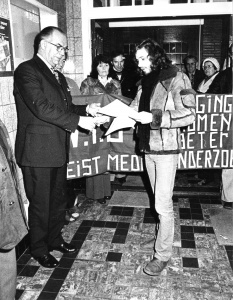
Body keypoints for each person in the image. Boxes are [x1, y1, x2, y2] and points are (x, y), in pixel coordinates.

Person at [13, 26, 99, 268]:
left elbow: (66, 107)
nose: (64, 53)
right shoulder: (26, 71)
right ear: (43, 45)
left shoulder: (57, 75)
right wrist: (80, 122)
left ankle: (54, 239)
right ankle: (38, 248)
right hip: (36, 152)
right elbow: (41, 107)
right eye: (59, 47)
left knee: (57, 201)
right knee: (40, 204)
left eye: (66, 49)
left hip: (57, 150)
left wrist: (86, 110)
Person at [130, 38, 195, 276]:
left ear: (156, 56)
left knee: (162, 204)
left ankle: (162, 254)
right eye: (137, 60)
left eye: (143, 58)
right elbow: (137, 110)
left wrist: (156, 117)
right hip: (148, 148)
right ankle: (162, 239)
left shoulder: (177, 77)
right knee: (156, 199)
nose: (139, 64)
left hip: (167, 151)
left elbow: (189, 114)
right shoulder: (143, 82)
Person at [80, 54, 122, 204]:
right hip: (93, 125)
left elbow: (120, 103)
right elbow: (83, 103)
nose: (103, 68)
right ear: (95, 67)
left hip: (109, 124)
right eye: (100, 65)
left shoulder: (115, 83)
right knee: (94, 156)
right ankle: (95, 193)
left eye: (106, 65)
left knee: (106, 157)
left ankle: (106, 191)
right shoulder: (88, 83)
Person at [0, 118, 28, 300]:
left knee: (7, 268)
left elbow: (9, 170)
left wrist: (21, 201)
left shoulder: (0, 126)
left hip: (5, 211)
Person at [55, 55, 81, 222]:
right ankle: (61, 210)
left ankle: (70, 204)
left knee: (68, 171)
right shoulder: (41, 78)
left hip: (70, 131)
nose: (60, 63)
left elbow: (74, 105)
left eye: (63, 60)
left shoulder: (67, 81)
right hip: (53, 135)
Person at [207, 46, 233, 209]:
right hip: (229, 123)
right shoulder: (225, 75)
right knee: (230, 160)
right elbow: (210, 96)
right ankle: (229, 198)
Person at [109, 50, 140, 185]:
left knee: (127, 142)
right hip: (112, 113)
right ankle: (116, 172)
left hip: (128, 111)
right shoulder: (106, 74)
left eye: (122, 61)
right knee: (114, 142)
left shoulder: (132, 75)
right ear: (111, 63)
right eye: (116, 62)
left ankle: (125, 170)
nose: (119, 65)